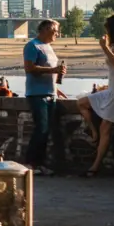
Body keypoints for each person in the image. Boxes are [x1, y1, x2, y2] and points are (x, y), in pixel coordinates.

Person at [75, 14, 114, 177]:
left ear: (113, 28)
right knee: (82, 103)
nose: (105, 29)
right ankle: (94, 133)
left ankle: (95, 167)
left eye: (107, 26)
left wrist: (103, 46)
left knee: (106, 127)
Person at [23, 19, 67, 175]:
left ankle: (40, 164)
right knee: (40, 129)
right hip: (37, 94)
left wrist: (57, 87)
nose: (57, 34)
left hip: (50, 93)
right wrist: (54, 70)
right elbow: (29, 68)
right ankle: (30, 164)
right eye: (55, 31)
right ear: (45, 29)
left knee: (47, 130)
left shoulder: (48, 47)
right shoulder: (32, 46)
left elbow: (51, 70)